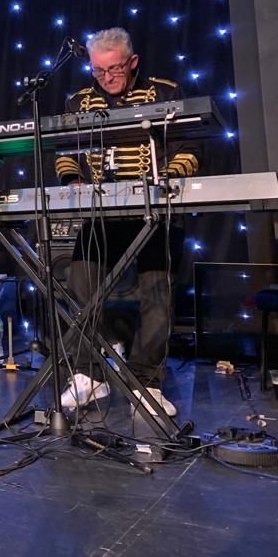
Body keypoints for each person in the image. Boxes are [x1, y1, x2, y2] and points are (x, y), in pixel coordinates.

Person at [54, 27, 197, 418]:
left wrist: (163, 180)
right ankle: (89, 374)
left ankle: (147, 382)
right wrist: (74, 181)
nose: (107, 78)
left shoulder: (165, 92)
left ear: (132, 62)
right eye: (98, 71)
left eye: (114, 69)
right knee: (81, 283)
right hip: (102, 213)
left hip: (157, 209)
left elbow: (190, 148)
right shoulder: (78, 101)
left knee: (157, 292)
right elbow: (64, 153)